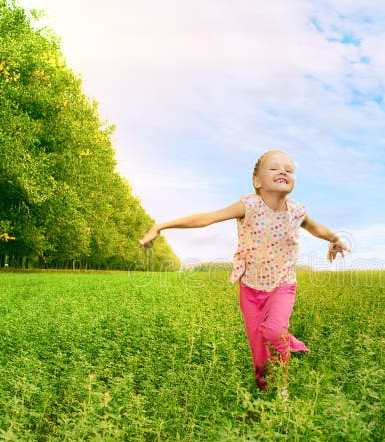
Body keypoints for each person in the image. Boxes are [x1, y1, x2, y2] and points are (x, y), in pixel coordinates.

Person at [138, 150, 349, 397]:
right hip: (250, 289)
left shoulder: (296, 211)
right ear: (257, 182)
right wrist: (160, 226)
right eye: (274, 168)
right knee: (259, 350)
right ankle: (264, 388)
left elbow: (316, 228)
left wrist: (334, 238)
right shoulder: (248, 206)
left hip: (282, 285)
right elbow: (205, 219)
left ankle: (282, 388)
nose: (283, 171)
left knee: (273, 331)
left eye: (289, 170)